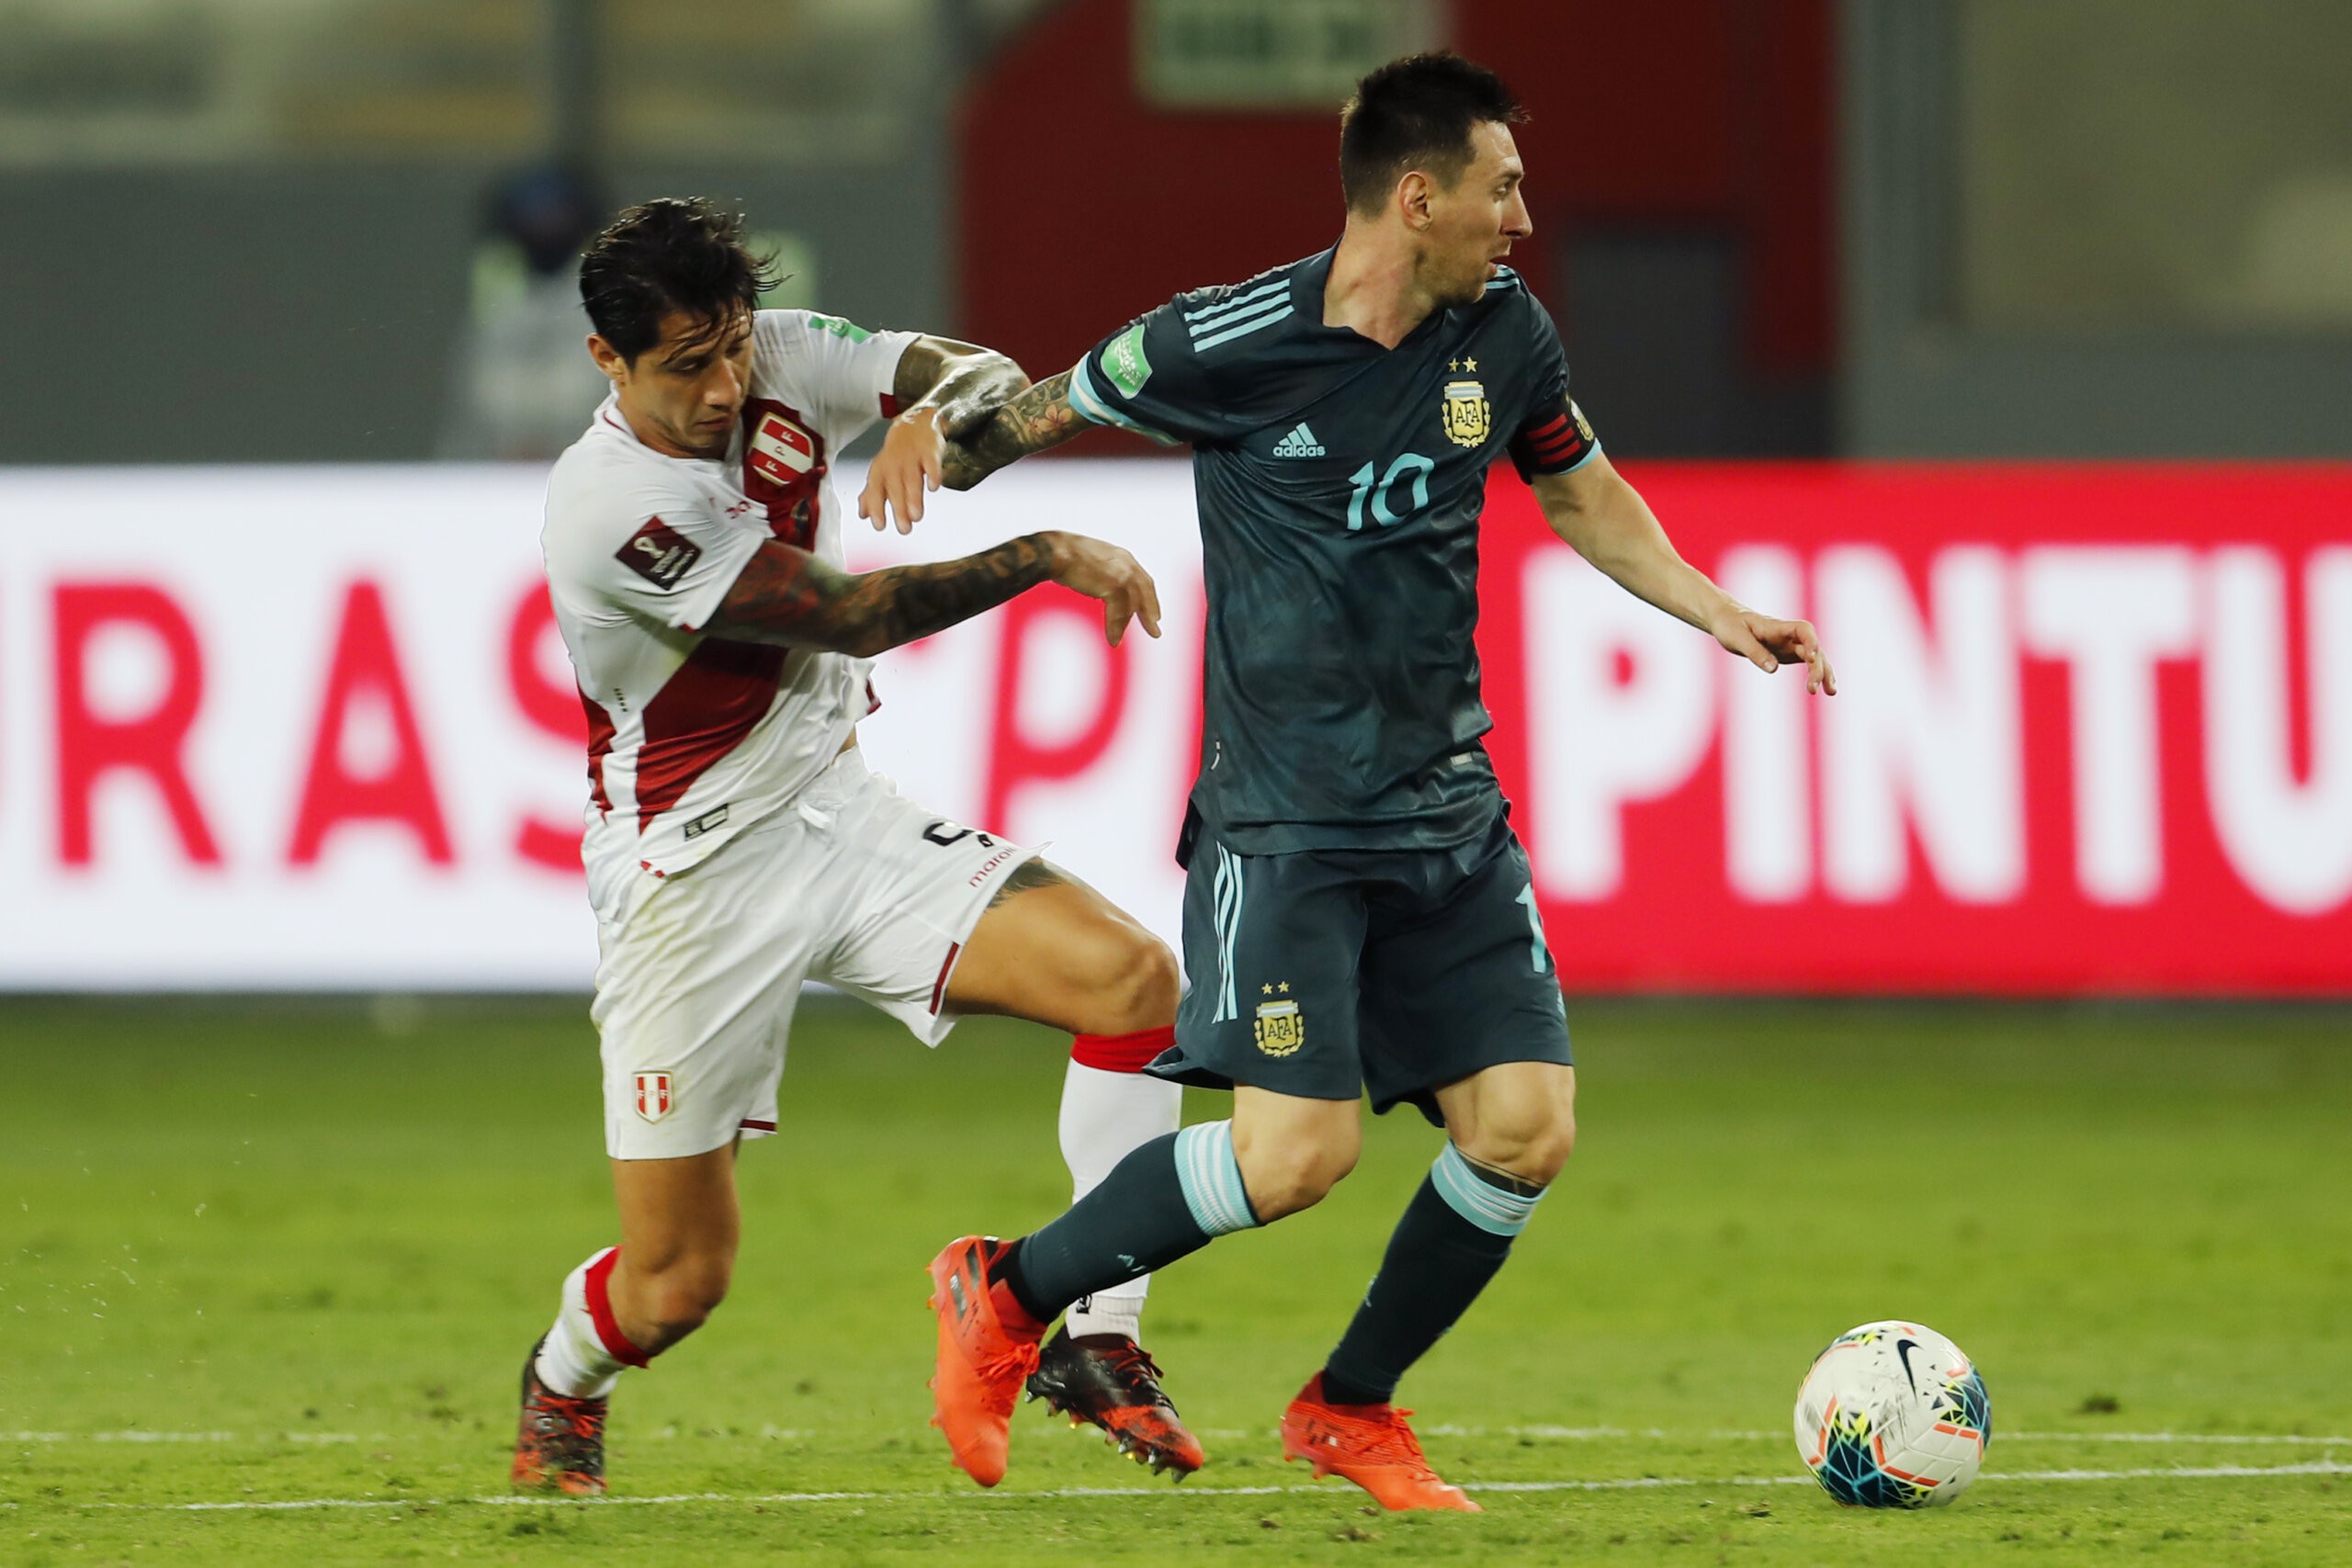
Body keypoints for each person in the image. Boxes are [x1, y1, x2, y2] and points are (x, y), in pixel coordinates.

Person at [903, 53, 1837, 1509]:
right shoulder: (1224, 341)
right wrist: (932, 440)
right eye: (1501, 186)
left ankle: (1349, 1407)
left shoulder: (1508, 336)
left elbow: (1579, 486)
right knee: (1295, 1157)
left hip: (1448, 819)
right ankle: (1007, 1291)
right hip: (1287, 829)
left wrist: (1720, 609)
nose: (1523, 215)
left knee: (1526, 1130)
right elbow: (1039, 410)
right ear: (1420, 196)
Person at [512, 197, 1208, 1496]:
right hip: (692, 880)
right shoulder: (609, 506)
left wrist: (926, 416)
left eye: (730, 349)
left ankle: (1096, 1343)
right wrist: (1048, 550)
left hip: (841, 815)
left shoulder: (772, 352)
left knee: (1137, 986)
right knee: (676, 1284)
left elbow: (988, 379)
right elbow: (852, 616)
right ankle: (562, 1380)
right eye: (686, 366)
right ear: (608, 362)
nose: (726, 386)